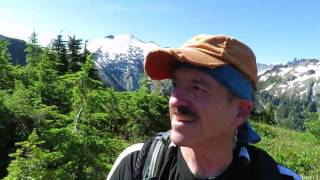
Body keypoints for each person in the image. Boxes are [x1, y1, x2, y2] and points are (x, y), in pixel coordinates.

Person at [107, 34, 301, 180]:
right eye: (175, 85)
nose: (175, 101)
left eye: (197, 88)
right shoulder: (136, 165)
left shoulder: (275, 176)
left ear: (241, 111)